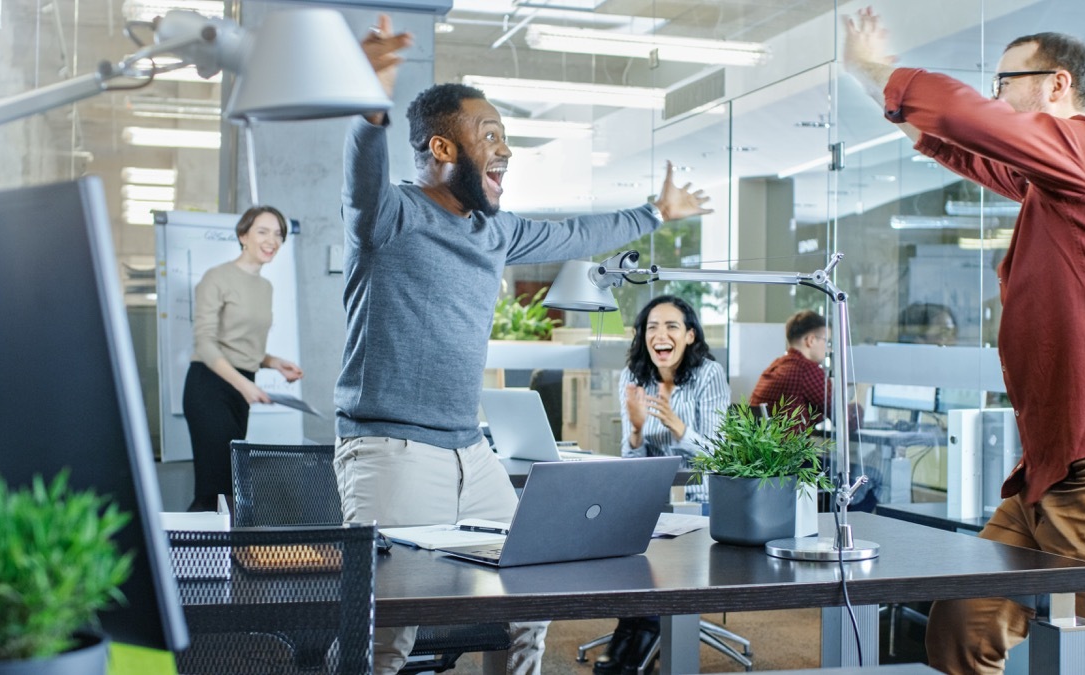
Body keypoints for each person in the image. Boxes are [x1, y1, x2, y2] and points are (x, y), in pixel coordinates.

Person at [334, 17, 713, 675]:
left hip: (468, 451)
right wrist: (370, 101)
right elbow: (361, 175)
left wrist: (655, 214)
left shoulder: (496, 232)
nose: (503, 149)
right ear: (441, 148)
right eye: (489, 136)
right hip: (392, 452)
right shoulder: (391, 215)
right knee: (387, 630)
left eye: (506, 136)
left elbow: (574, 232)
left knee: (530, 587)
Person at [843, 8, 1085, 674]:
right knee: (962, 628)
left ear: (1058, 85)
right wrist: (873, 85)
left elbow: (972, 119)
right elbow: (960, 141)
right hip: (1052, 482)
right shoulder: (1058, 187)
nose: (997, 95)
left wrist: (873, 67)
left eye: (1006, 81)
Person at [597, 295, 729, 675]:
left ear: (689, 336)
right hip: (652, 500)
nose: (661, 334)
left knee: (655, 562)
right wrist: (637, 430)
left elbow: (720, 454)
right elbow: (632, 462)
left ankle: (636, 641)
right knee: (626, 550)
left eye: (672, 326)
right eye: (652, 327)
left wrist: (679, 428)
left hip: (700, 501)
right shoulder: (634, 378)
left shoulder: (707, 374)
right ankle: (636, 633)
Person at [182, 205, 304, 512]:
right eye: (262, 231)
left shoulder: (265, 287)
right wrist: (244, 386)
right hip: (209, 386)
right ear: (243, 236)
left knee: (229, 487)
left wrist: (272, 361)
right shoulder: (217, 277)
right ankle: (180, 556)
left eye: (278, 234)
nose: (272, 240)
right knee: (217, 489)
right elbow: (206, 344)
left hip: (241, 388)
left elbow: (240, 343)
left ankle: (214, 558)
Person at [749, 310, 832, 428]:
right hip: (790, 446)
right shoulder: (806, 370)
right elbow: (846, 420)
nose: (828, 349)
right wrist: (861, 390)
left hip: (764, 445)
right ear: (811, 340)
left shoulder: (776, 365)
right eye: (827, 342)